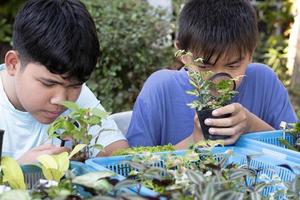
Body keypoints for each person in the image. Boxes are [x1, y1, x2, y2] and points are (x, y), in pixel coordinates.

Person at [126, 0, 298, 148]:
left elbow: (295, 147)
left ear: (251, 54)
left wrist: (251, 125)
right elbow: (133, 168)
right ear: (183, 54)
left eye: (233, 65)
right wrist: (194, 141)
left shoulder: (264, 81)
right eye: (204, 66)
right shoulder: (160, 89)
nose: (218, 80)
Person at [0, 0, 128, 164]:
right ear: (13, 63)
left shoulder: (78, 96)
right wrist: (19, 171)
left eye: (75, 85)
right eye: (48, 84)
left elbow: (118, 152)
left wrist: (81, 158)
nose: (61, 100)